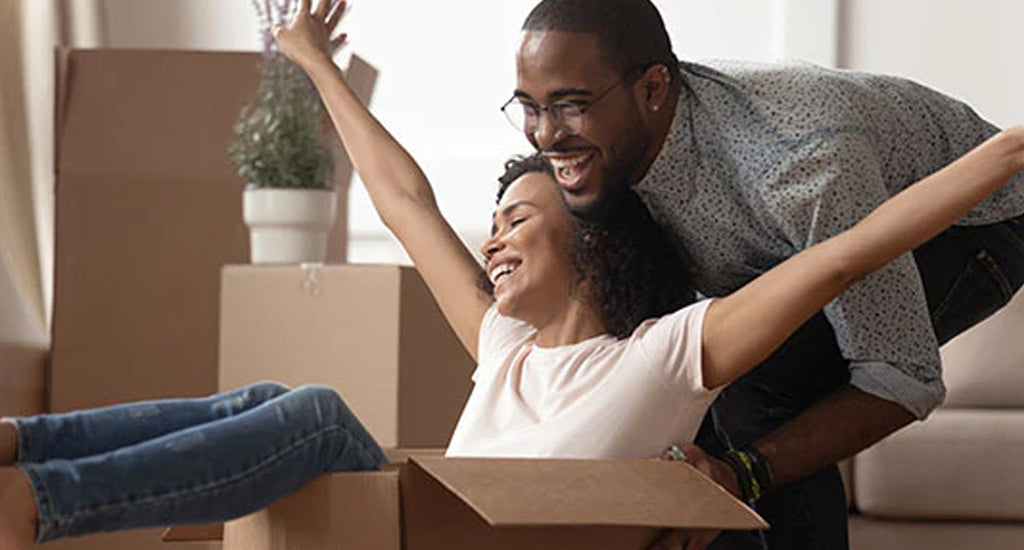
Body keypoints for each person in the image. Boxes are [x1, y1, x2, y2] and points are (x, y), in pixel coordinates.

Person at [2, 2, 1023, 549]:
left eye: (516, 220)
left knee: (311, 412)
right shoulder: (502, 343)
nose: (490, 240)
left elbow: (845, 255)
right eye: (492, 219)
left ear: (590, 240)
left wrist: (1000, 153)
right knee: (277, 401)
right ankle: (18, 445)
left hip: (461, 540)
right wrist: (309, 57)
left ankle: (41, 506)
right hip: (415, 529)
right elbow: (403, 201)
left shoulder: (666, 355)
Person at [506, 0, 1024, 548]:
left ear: (655, 89)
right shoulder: (612, 149)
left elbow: (901, 376)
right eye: (528, 108)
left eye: (570, 106)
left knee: (757, 389)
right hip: (810, 231)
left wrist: (742, 473)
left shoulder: (800, 167)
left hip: (979, 224)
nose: (543, 135)